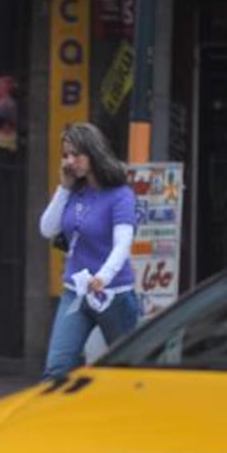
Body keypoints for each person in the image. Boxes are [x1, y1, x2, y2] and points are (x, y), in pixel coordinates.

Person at [39, 121, 140, 380]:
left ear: (94, 153)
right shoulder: (75, 191)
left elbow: (122, 244)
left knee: (129, 371)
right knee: (56, 369)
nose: (70, 161)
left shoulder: (121, 195)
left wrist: (103, 277)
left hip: (113, 294)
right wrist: (64, 187)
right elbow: (47, 229)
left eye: (76, 155)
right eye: (66, 156)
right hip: (76, 292)